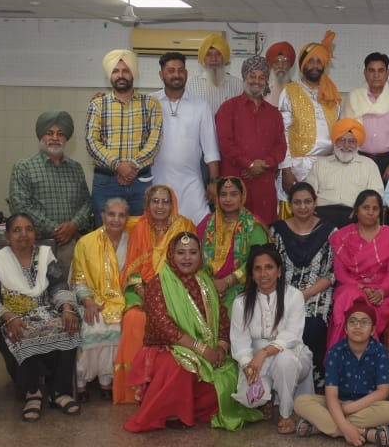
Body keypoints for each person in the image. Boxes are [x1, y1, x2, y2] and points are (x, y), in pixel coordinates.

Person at [123, 233, 261, 432]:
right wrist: (202, 349)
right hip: (168, 348)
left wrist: (221, 348)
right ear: (171, 255)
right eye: (181, 253)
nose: (187, 258)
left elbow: (222, 319)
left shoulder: (205, 282)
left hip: (207, 349)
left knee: (228, 376)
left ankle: (191, 408)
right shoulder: (158, 284)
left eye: (193, 252)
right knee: (180, 367)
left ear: (200, 255)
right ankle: (173, 411)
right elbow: (164, 327)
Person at [0, 212, 82, 421]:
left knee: (69, 325)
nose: (23, 234)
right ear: (7, 236)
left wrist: (67, 308)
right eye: (17, 230)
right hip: (10, 316)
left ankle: (59, 392)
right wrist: (9, 317)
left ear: (35, 233)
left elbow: (59, 285)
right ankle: (31, 392)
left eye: (29, 229)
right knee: (22, 330)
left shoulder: (45, 256)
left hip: (46, 309)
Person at [111, 184, 199, 405]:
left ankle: (163, 384)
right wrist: (141, 288)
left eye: (165, 201)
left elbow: (190, 263)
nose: (160, 206)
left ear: (173, 204)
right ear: (148, 204)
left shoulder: (184, 226)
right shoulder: (140, 227)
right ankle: (136, 386)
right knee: (135, 318)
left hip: (176, 288)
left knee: (168, 318)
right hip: (142, 288)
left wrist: (162, 291)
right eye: (155, 201)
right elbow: (132, 266)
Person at [230, 245, 314, 433]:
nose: (263, 274)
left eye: (269, 267)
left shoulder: (294, 296)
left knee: (284, 361)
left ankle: (286, 414)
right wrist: (247, 366)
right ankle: (268, 398)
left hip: (292, 354)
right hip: (256, 360)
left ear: (279, 271)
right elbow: (239, 342)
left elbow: (292, 335)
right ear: (251, 274)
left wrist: (264, 352)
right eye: (257, 269)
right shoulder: (241, 302)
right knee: (251, 399)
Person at [292, 297, 389, 446]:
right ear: (346, 329)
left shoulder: (380, 351)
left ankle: (322, 428)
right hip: (338, 402)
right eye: (352, 322)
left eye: (364, 322)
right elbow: (331, 396)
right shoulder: (335, 352)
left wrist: (349, 409)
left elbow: (383, 392)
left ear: (373, 330)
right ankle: (364, 432)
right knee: (301, 402)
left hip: (365, 405)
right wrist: (345, 426)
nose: (358, 326)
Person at [7, 109, 92, 274]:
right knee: (36, 288)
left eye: (60, 134)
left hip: (69, 246)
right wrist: (56, 230)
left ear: (66, 138)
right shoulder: (24, 167)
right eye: (49, 133)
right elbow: (20, 206)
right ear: (41, 136)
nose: (55, 138)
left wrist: (74, 225)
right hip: (34, 245)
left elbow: (86, 202)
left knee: (69, 287)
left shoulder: (76, 168)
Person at [85, 48, 163, 217]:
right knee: (105, 232)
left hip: (140, 183)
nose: (120, 75)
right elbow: (92, 142)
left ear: (133, 73)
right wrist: (118, 166)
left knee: (140, 231)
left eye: (126, 70)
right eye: (115, 71)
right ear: (110, 75)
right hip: (106, 183)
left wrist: (131, 167)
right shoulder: (97, 105)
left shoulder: (151, 104)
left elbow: (154, 142)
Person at [271, 182, 335, 375]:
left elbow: (332, 273)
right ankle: (282, 371)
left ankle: (315, 374)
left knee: (314, 323)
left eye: (307, 201)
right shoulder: (277, 231)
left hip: (317, 291)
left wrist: (306, 294)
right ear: (290, 205)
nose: (303, 207)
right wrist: (287, 295)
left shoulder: (330, 231)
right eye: (297, 202)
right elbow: (271, 267)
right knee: (278, 319)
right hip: (282, 291)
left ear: (315, 203)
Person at [215, 55, 287, 225]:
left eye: (262, 77)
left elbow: (281, 147)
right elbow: (225, 143)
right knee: (234, 229)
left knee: (263, 229)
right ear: (244, 77)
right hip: (235, 183)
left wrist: (264, 164)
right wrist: (249, 164)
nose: (257, 81)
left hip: (264, 183)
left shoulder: (274, 113)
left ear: (266, 81)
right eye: (252, 76)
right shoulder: (228, 108)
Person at [151, 51, 220, 225]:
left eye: (181, 70)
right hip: (158, 183)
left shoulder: (201, 106)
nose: (177, 75)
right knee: (160, 232)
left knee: (197, 230)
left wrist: (213, 182)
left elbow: (211, 150)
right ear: (161, 75)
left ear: (186, 73)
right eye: (171, 71)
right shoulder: (149, 103)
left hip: (192, 186)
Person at [72, 197, 131, 401]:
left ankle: (107, 380)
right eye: (111, 214)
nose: (116, 219)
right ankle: (81, 381)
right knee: (93, 324)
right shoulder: (86, 243)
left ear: (127, 219)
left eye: (121, 215)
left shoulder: (132, 242)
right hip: (91, 299)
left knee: (119, 326)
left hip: (122, 300)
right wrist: (88, 302)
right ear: (103, 216)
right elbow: (78, 280)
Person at [328, 189, 389, 346]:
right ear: (356, 210)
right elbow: (340, 273)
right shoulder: (343, 236)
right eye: (366, 208)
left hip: (380, 294)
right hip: (352, 286)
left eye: (375, 208)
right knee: (348, 299)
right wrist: (361, 288)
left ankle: (366, 355)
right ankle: (342, 354)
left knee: (369, 309)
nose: (370, 212)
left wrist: (382, 291)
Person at [196, 176, 270, 313]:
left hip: (242, 289)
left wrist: (228, 281)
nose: (228, 199)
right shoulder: (207, 223)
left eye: (234, 194)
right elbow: (195, 254)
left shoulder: (252, 225)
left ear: (242, 196)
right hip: (208, 287)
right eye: (223, 194)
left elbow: (259, 261)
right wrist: (208, 283)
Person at [280, 32, 342, 192]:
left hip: (328, 167)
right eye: (310, 61)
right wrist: (286, 170)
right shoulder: (290, 91)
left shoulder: (332, 94)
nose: (315, 66)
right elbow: (282, 133)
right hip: (297, 168)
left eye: (319, 61)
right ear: (303, 65)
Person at [305, 117, 385, 228]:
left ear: (358, 144)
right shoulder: (320, 163)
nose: (346, 145)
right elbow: (308, 192)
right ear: (334, 141)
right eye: (341, 140)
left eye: (351, 141)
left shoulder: (369, 165)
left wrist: (360, 210)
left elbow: (376, 195)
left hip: (354, 215)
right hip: (322, 214)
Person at [340, 51, 389, 177]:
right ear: (365, 73)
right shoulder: (354, 97)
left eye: (380, 70)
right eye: (371, 70)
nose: (376, 75)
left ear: (387, 73)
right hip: (358, 159)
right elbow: (343, 131)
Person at [186, 32, 240, 113]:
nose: (214, 59)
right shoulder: (191, 85)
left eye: (218, 54)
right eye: (208, 54)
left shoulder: (238, 85)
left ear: (225, 58)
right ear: (203, 59)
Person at [265, 40, 296, 104]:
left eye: (285, 62)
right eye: (276, 61)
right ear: (271, 65)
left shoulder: (298, 91)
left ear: (290, 65)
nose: (281, 66)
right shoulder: (263, 91)